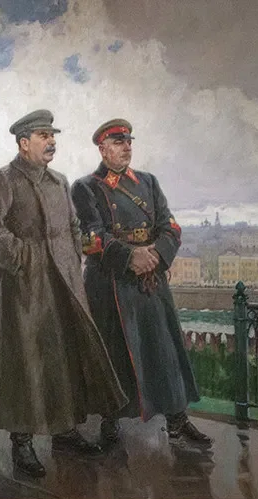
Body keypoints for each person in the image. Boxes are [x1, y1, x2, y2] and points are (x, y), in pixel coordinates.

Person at [0, 109, 126, 477]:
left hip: (64, 284)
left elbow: (72, 225)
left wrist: (72, 259)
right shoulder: (3, 180)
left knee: (64, 356)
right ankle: (21, 442)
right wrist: (21, 256)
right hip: (25, 287)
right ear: (24, 143)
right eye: (43, 135)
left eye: (52, 135)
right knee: (26, 361)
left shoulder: (59, 181)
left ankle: (65, 431)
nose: (51, 141)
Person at [70, 119, 210, 448]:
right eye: (119, 143)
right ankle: (110, 419)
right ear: (103, 149)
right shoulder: (86, 187)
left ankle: (177, 419)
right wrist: (130, 256)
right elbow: (92, 237)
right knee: (114, 353)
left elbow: (170, 227)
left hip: (150, 279)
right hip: (110, 283)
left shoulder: (148, 182)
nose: (127, 147)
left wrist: (156, 256)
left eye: (129, 141)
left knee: (164, 349)